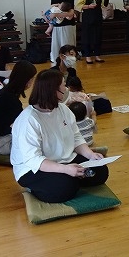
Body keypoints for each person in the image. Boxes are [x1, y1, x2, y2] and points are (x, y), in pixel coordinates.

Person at [10, 69, 108, 203]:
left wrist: (90, 155)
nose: (66, 89)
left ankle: (69, 178)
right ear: (53, 90)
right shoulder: (28, 120)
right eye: (63, 85)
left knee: (101, 171)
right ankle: (39, 186)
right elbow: (34, 160)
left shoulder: (63, 109)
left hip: (63, 159)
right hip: (33, 168)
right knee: (65, 188)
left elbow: (76, 137)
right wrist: (66, 169)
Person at [0, 60, 38, 155]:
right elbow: (24, 124)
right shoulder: (10, 98)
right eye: (32, 78)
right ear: (26, 80)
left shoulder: (8, 92)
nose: (32, 81)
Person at [75, 0, 106, 64]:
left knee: (98, 36)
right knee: (87, 36)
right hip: (88, 16)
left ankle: (97, 55)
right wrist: (88, 6)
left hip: (97, 16)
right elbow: (78, 6)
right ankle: (88, 56)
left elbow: (104, 5)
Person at [45, 0, 77, 64]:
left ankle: (70, 68)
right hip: (56, 26)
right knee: (56, 51)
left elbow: (70, 13)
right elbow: (52, 9)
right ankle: (56, 67)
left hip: (67, 26)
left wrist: (57, 14)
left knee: (67, 51)